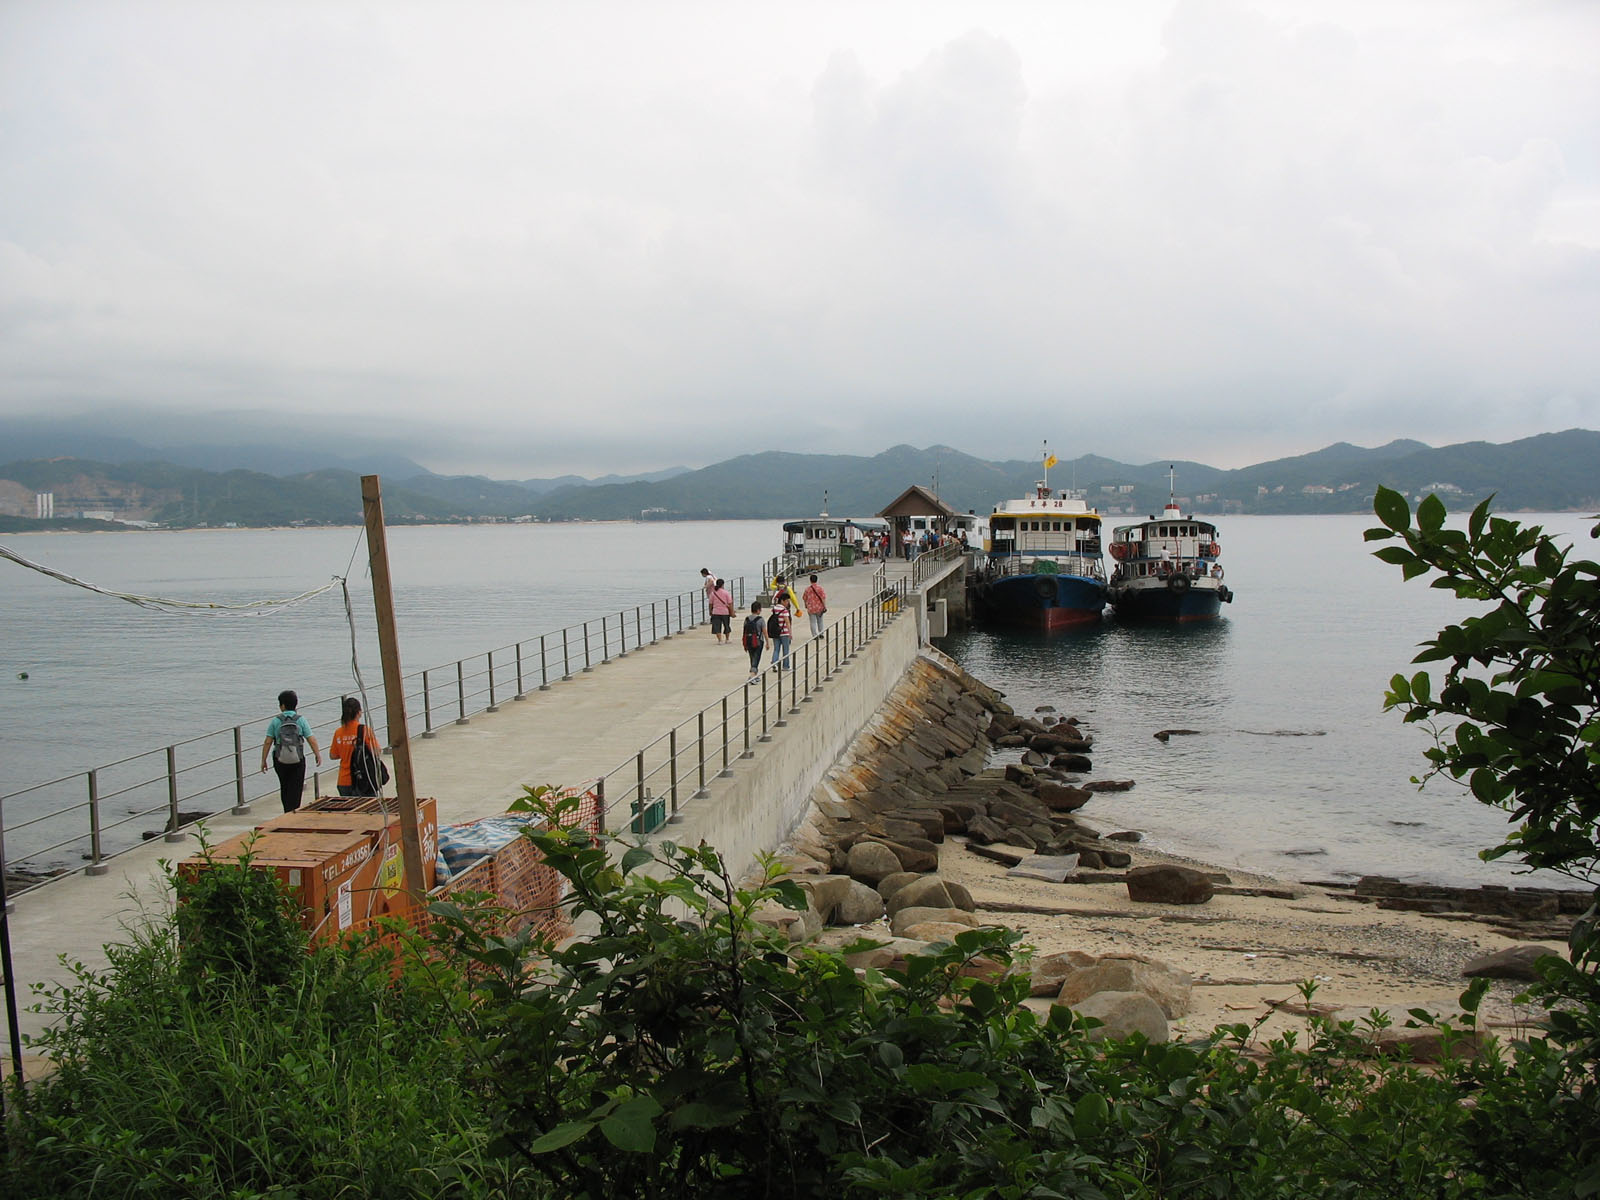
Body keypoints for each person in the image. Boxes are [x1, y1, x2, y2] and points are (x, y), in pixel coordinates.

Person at [259, 689, 322, 813]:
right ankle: (294, 811)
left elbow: (268, 741)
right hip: (297, 759)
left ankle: (287, 811)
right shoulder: (301, 720)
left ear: (282, 706)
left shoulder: (276, 721)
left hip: (280, 759)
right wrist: (317, 754)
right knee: (296, 787)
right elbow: (311, 739)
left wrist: (263, 760)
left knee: (285, 786)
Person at [330, 695, 385, 797]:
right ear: (359, 712)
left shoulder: (338, 732)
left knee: (349, 812)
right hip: (363, 780)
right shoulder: (364, 730)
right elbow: (376, 751)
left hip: (344, 781)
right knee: (369, 810)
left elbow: (333, 755)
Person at [741, 600, 767, 680]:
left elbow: (744, 631)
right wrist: (767, 642)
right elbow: (764, 632)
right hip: (758, 642)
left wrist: (744, 644)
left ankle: (754, 675)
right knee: (756, 658)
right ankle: (752, 676)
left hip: (748, 641)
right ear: (758, 610)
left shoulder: (747, 619)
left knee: (752, 658)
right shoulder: (760, 619)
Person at [769, 593, 793, 672]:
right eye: (786, 601)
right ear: (782, 601)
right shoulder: (785, 610)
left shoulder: (775, 609)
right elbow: (787, 622)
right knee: (786, 650)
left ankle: (774, 663)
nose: (787, 603)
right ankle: (786, 666)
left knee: (776, 649)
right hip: (784, 632)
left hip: (776, 631)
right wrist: (790, 633)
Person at [709, 577, 735, 644]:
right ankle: (727, 639)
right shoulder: (726, 593)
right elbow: (730, 603)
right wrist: (732, 612)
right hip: (725, 612)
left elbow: (710, 604)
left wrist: (710, 611)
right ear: (723, 584)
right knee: (726, 625)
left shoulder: (713, 593)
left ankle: (720, 640)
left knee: (717, 627)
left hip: (716, 612)